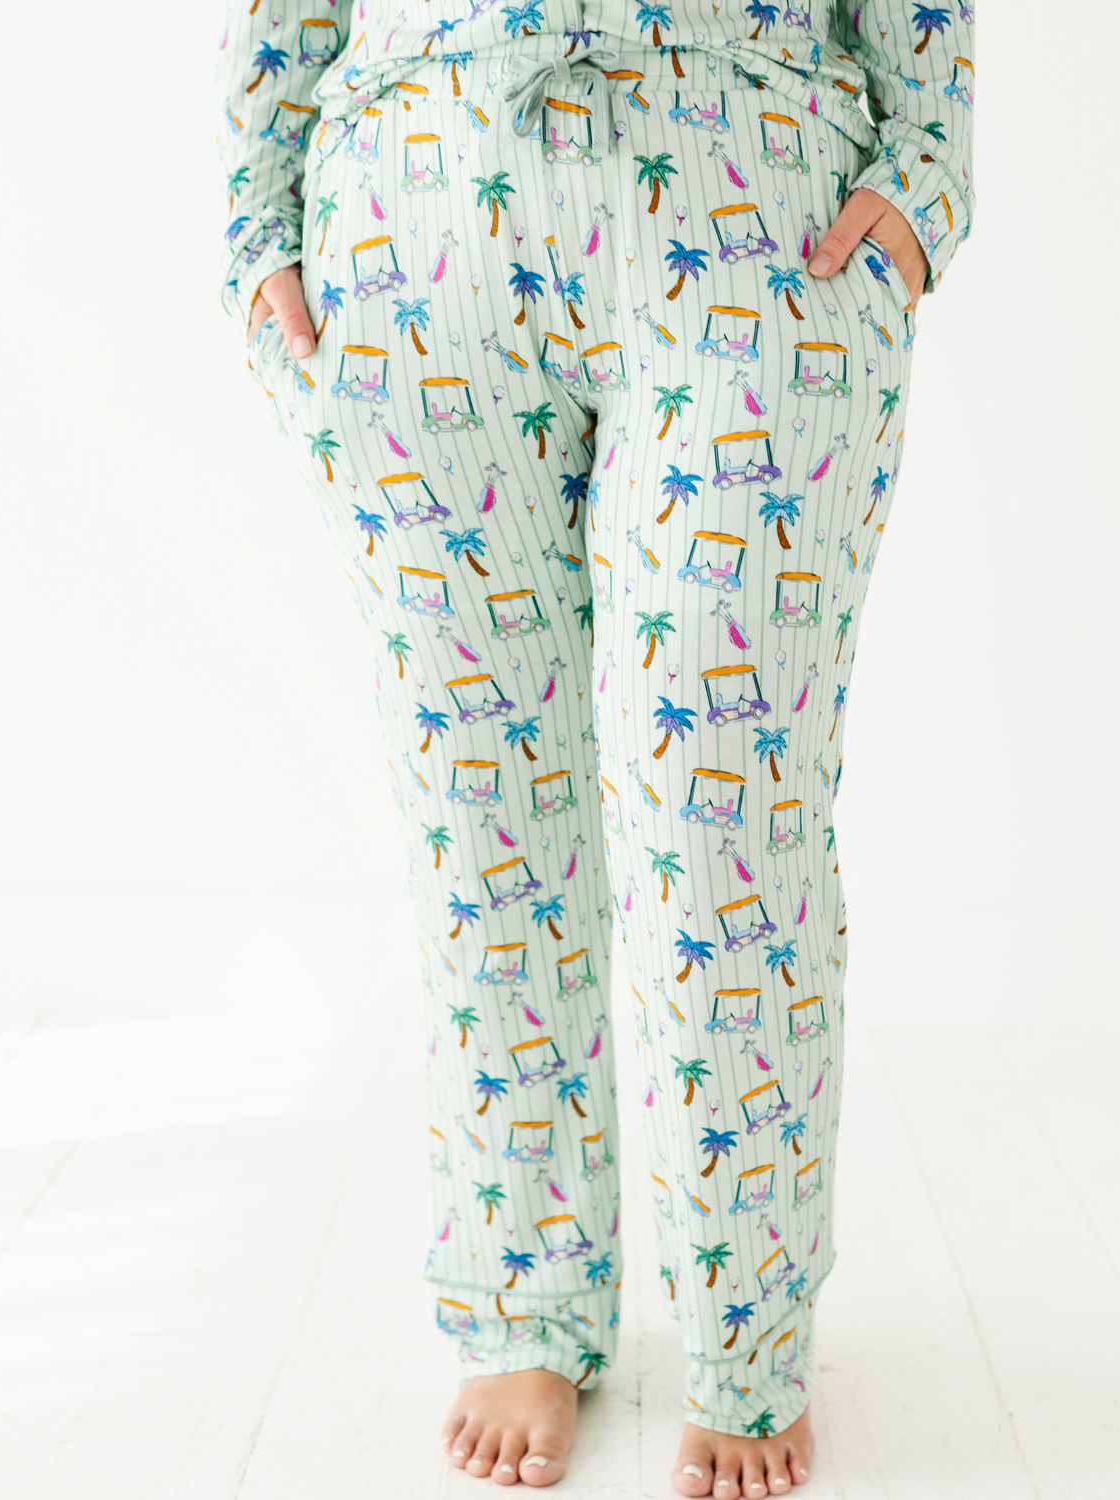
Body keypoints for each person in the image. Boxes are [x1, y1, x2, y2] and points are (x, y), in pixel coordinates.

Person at [216, 0, 973, 1493]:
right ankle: (523, 1296)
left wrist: (925, 172)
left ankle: (746, 1328)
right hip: (415, 218)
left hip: (750, 210)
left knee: (723, 816)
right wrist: (257, 226)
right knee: (484, 815)